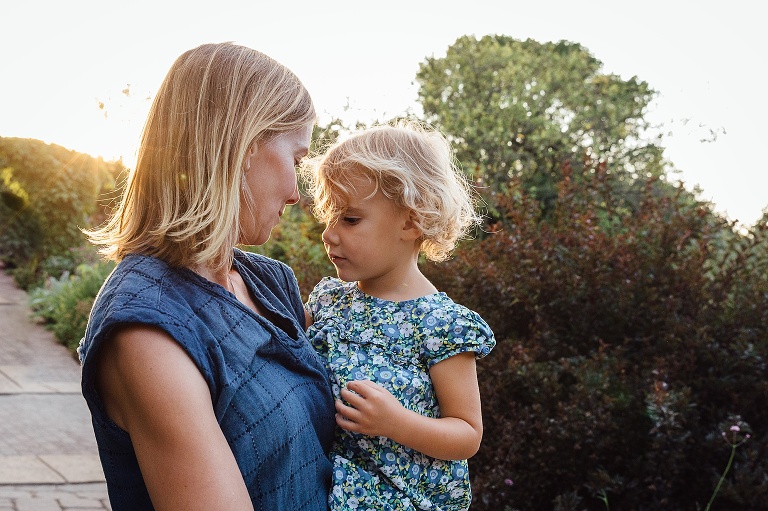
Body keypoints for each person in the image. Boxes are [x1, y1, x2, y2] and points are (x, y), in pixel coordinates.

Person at [78, 42, 336, 511]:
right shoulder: (150, 329)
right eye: (296, 161)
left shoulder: (268, 282)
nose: (298, 194)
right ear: (241, 146)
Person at [302, 121, 496, 511]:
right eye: (330, 217)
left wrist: (396, 423)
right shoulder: (327, 302)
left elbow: (467, 433)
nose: (329, 234)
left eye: (350, 219)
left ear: (411, 221)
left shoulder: (442, 325)